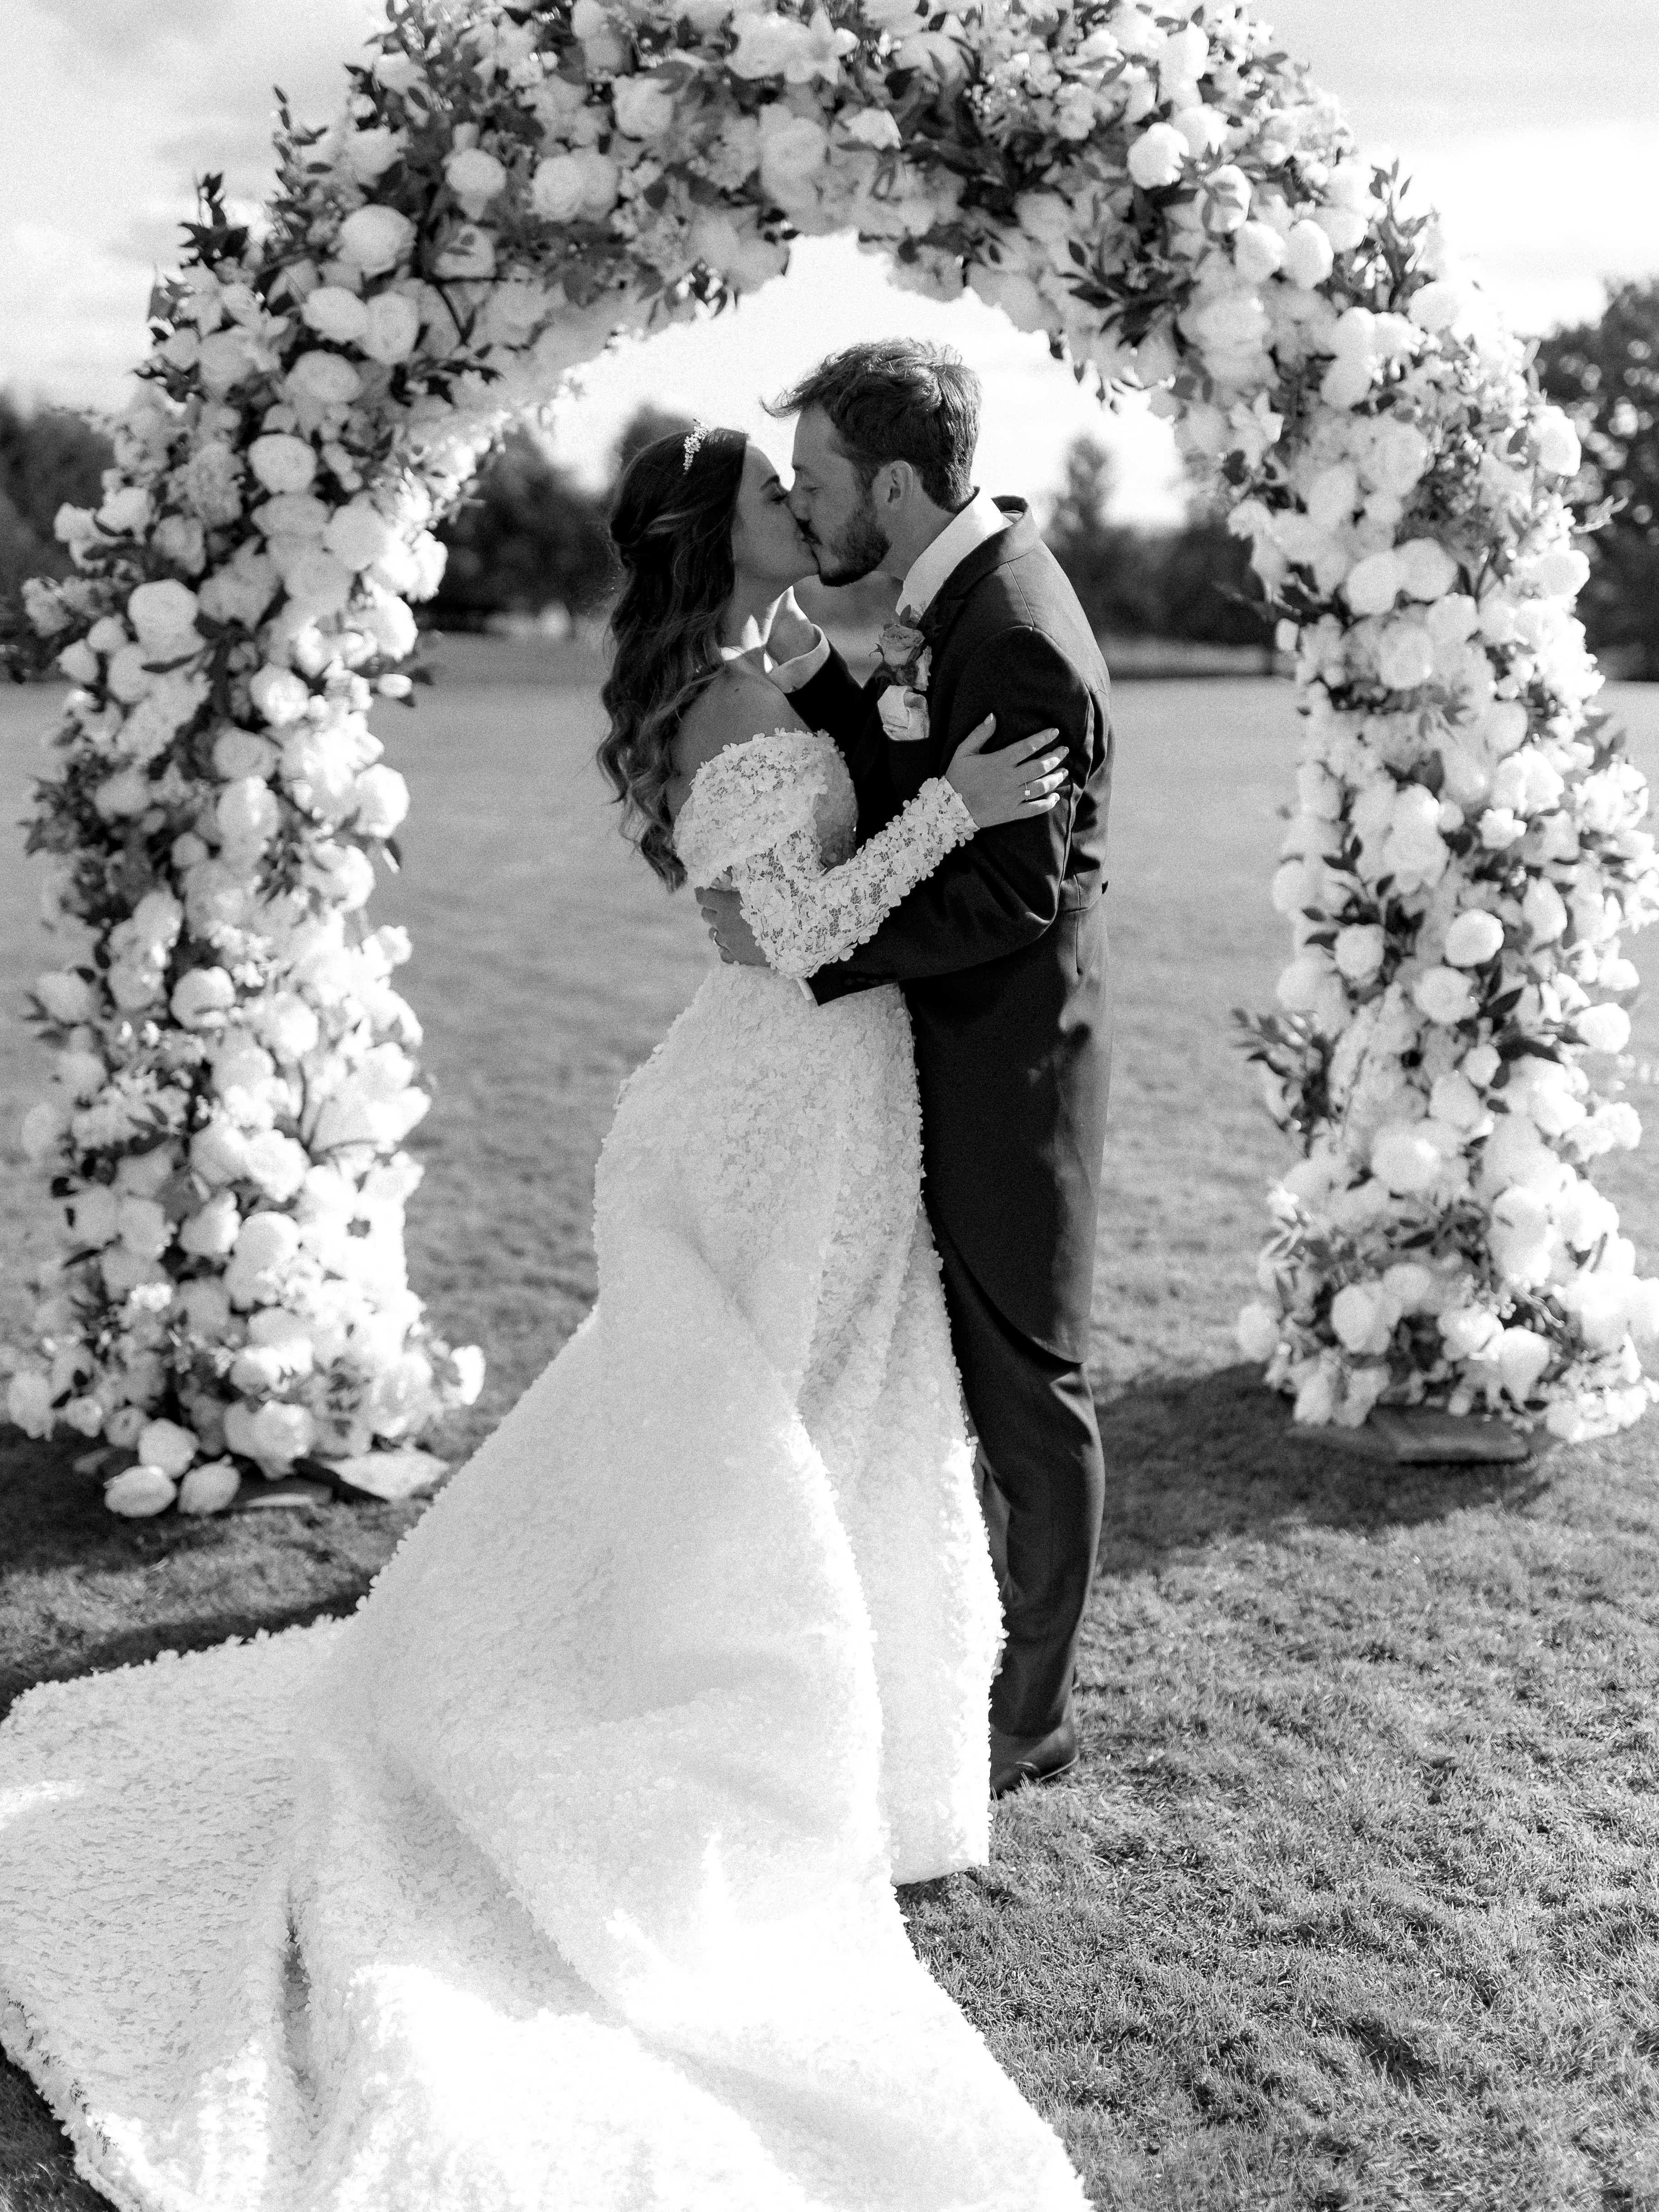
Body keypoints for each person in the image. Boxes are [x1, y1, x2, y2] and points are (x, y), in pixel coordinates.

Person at [0, 423, 1088, 2210]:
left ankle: (866, 1753)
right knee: (769, 1446)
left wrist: (879, 708)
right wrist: (957, 813)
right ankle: (715, 1721)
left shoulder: (767, 668)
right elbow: (786, 940)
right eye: (770, 497)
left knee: (834, 1429)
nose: (801, 511)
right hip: (780, 1102)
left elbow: (829, 792)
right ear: (711, 535)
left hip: (830, 1104)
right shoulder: (730, 715)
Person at [699, 341, 1114, 1800]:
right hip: (926, 1056)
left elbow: (1014, 891)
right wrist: (837, 707)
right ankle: (930, 1649)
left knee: (1028, 1388)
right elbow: (910, 796)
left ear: (890, 479)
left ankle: (1032, 1713)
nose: (808, 507)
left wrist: (820, 950)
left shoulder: (1009, 631)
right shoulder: (955, 599)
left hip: (1005, 1072)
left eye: (816, 480)